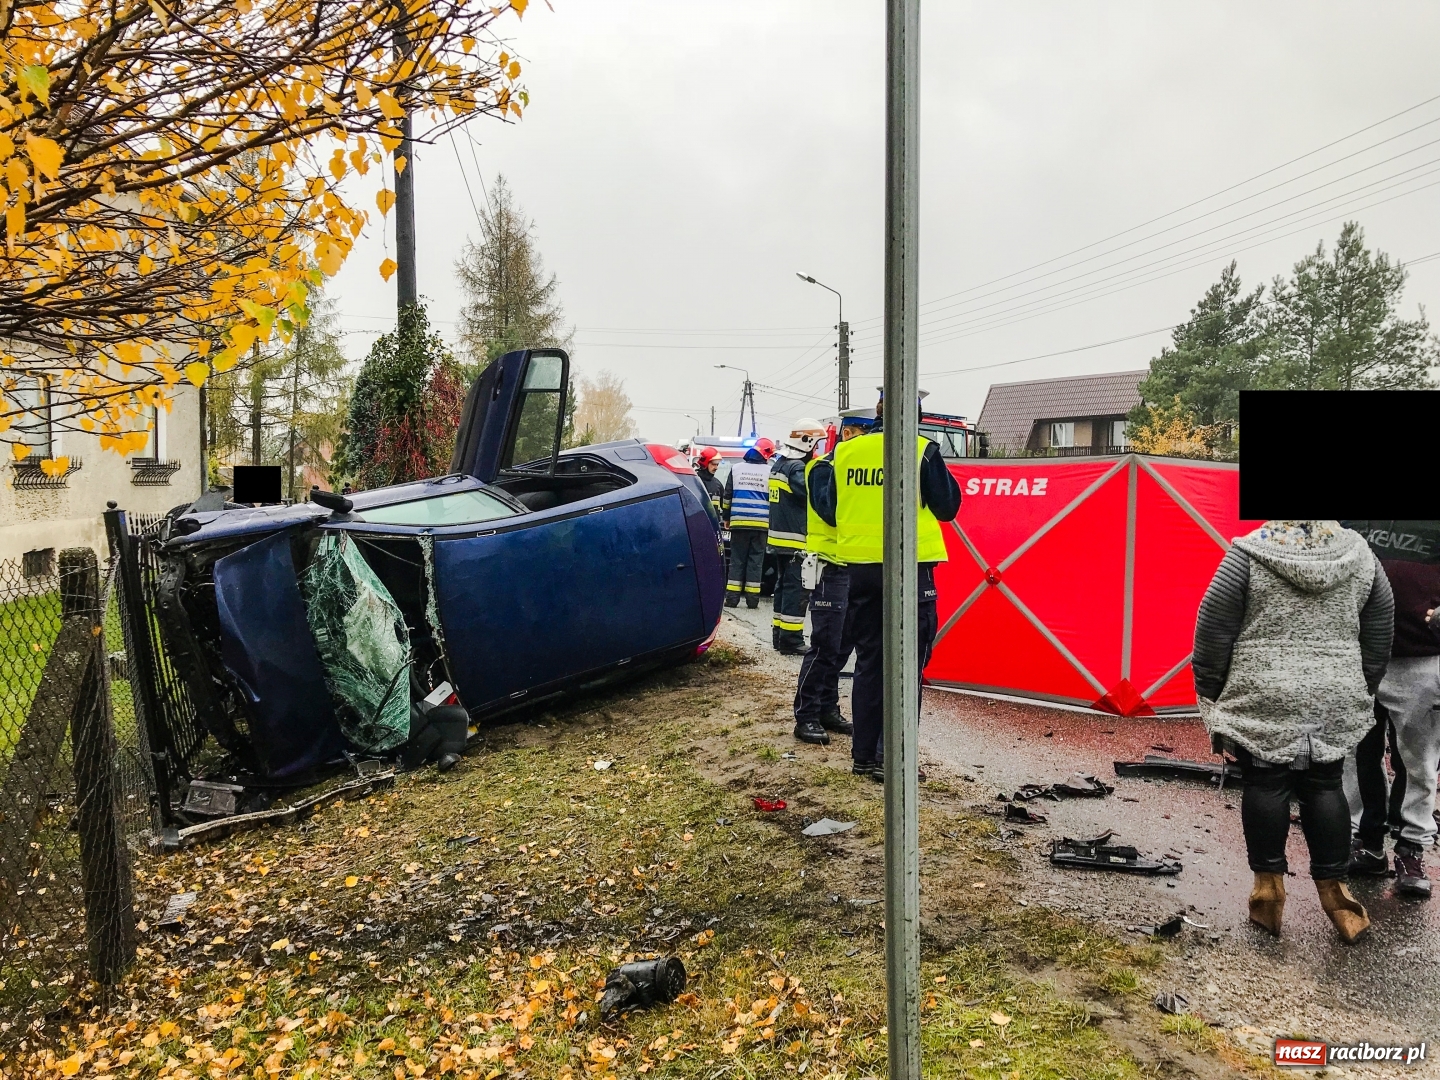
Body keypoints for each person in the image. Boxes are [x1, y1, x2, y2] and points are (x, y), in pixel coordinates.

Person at [1193, 520, 1393, 943]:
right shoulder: (1361, 555)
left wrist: (1211, 692)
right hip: (1334, 689)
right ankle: (1337, 895)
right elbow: (1379, 635)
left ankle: (1268, 893)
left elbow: (1213, 629)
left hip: (1263, 688)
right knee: (1326, 783)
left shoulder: (1247, 555)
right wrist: (1360, 688)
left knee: (1265, 782)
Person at [808, 393, 961, 782]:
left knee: (871, 662)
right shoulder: (922, 450)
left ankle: (864, 757)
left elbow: (829, 508)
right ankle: (893, 759)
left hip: (861, 571)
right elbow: (947, 508)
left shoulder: (846, 453)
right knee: (908, 666)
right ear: (918, 417)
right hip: (910, 570)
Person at [1341, 520, 1440, 898]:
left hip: (1420, 659)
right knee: (1356, 754)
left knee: (1417, 761)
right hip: (1359, 655)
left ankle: (1410, 849)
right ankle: (1367, 844)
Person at [792, 412, 872, 745]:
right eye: (865, 435)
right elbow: (831, 511)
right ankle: (806, 715)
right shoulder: (824, 467)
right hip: (829, 565)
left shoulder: (853, 469)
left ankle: (827, 708)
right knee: (825, 645)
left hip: (853, 565)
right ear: (850, 432)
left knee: (843, 647)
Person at [768, 419, 828, 655]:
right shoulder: (796, 469)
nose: (817, 450)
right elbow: (813, 497)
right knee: (796, 590)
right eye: (816, 445)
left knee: (783, 587)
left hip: (779, 540)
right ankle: (791, 640)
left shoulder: (780, 464)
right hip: (794, 540)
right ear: (807, 442)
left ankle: (779, 635)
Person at [721, 438, 774, 608]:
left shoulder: (736, 469)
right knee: (756, 562)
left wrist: (727, 518)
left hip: (739, 522)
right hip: (761, 524)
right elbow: (773, 499)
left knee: (737, 560)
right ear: (766, 454)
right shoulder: (770, 471)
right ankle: (752, 601)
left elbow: (727, 497)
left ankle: (732, 599)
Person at [695, 446, 724, 516]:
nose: (716, 468)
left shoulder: (717, 484)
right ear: (705, 463)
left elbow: (725, 506)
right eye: (714, 464)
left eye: (717, 464)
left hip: (714, 525)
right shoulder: (695, 482)